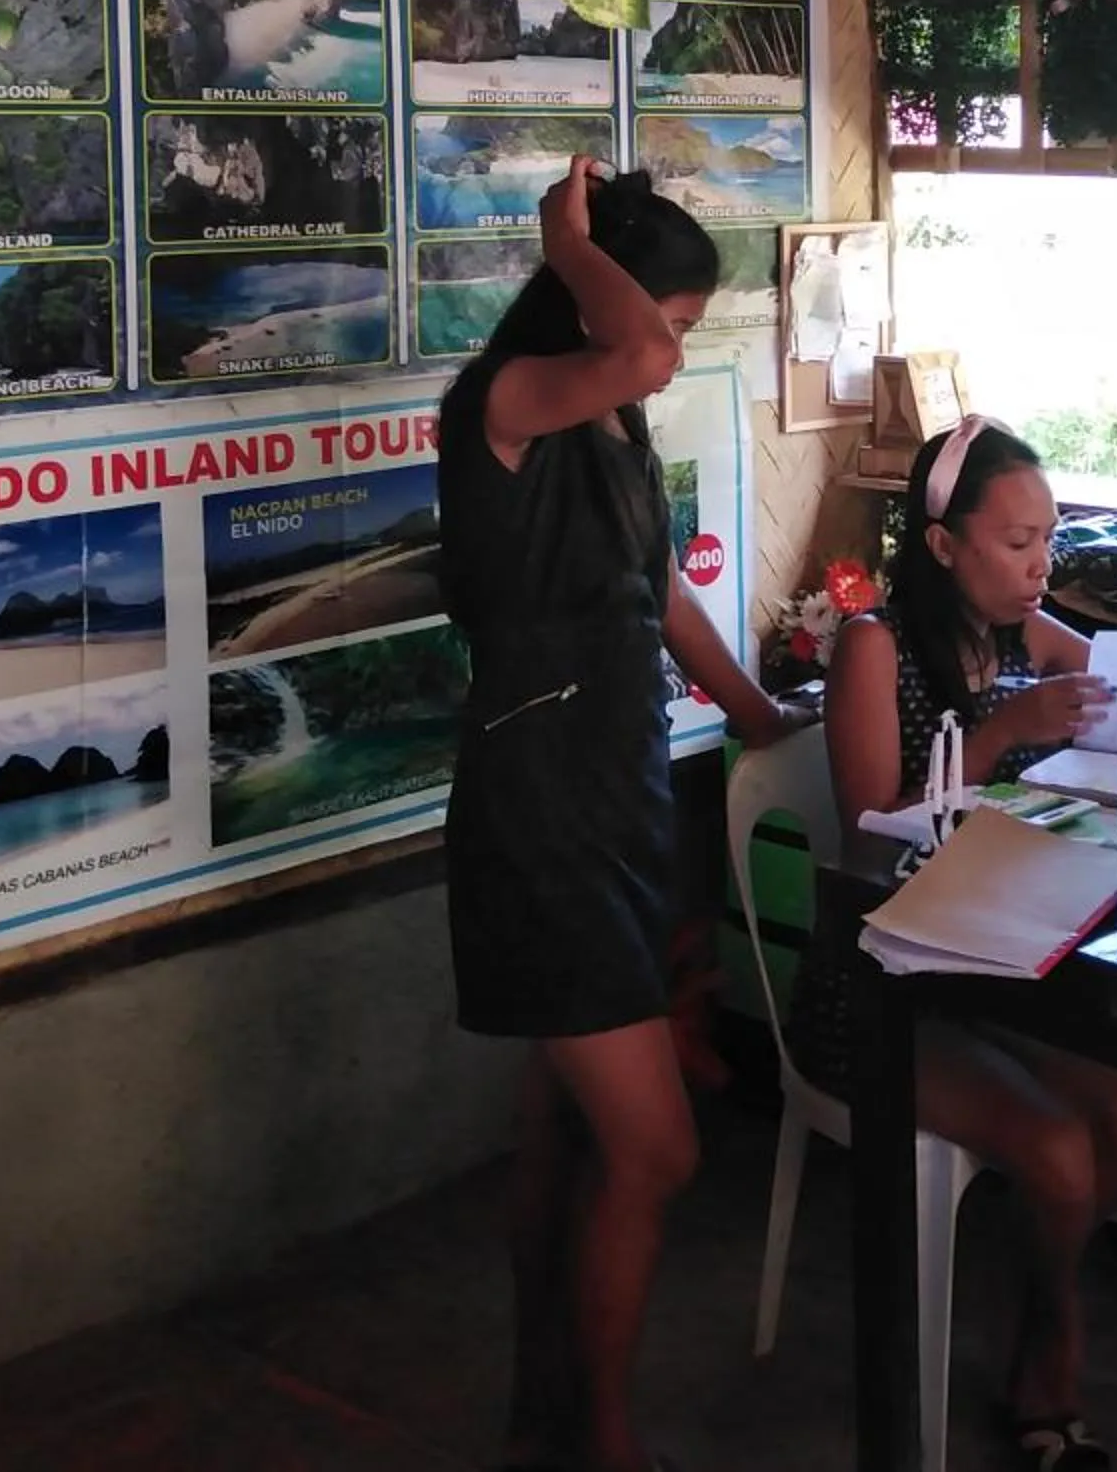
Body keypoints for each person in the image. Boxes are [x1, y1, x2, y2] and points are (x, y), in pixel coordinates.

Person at [441, 154, 805, 1472]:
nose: (676, 349)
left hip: (614, 791)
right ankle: (599, 1433)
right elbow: (643, 350)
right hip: (535, 817)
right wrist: (563, 235)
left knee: (563, 1128)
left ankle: (543, 1397)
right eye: (676, 315)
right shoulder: (514, 399)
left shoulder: (610, 426)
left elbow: (660, 596)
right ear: (597, 300)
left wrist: (762, 717)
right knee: (654, 1150)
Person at [790, 417, 1117, 1472]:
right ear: (943, 545)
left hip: (998, 961)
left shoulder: (1020, 630)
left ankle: (1036, 1318)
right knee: (1056, 1151)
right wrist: (1007, 734)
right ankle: (1048, 1359)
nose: (1039, 564)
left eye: (1048, 537)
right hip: (877, 980)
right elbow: (870, 822)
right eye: (1015, 542)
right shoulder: (874, 646)